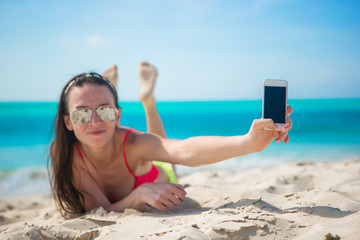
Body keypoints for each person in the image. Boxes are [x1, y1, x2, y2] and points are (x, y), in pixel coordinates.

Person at [49, 62, 293, 216]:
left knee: (162, 151)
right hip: (139, 184)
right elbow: (102, 210)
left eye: (103, 110)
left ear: (118, 115)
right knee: (105, 131)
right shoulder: (66, 155)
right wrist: (139, 194)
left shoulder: (133, 144)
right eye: (82, 113)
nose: (93, 121)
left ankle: (147, 101)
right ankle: (112, 95)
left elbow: (185, 150)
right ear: (68, 121)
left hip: (158, 171)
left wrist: (248, 142)